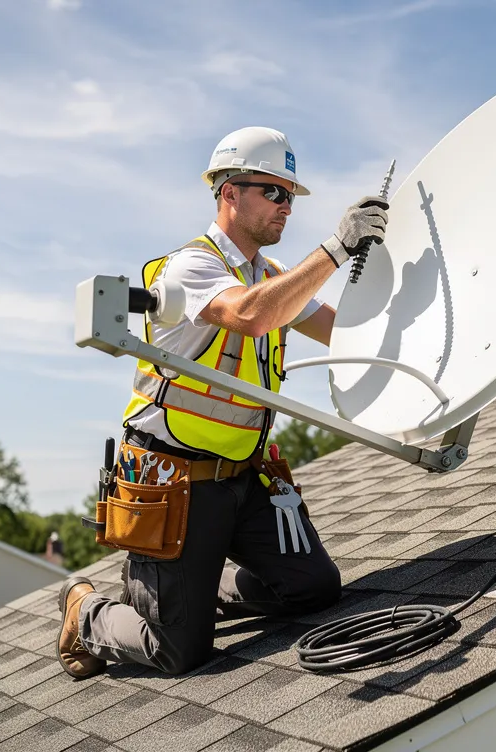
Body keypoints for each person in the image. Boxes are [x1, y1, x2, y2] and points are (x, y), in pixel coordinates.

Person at [56, 126, 388, 679]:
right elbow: (251, 313)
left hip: (242, 478)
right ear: (229, 192)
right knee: (177, 651)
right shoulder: (193, 267)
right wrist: (335, 249)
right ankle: (85, 609)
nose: (286, 207)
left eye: (290, 196)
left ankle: (201, 582)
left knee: (313, 589)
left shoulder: (273, 276)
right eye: (273, 192)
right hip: (173, 480)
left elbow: (345, 333)